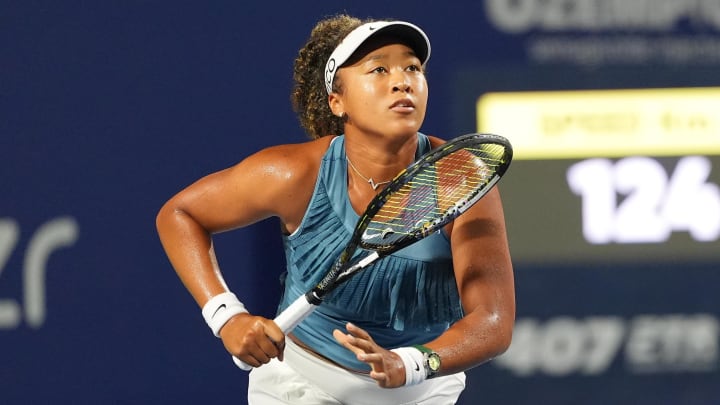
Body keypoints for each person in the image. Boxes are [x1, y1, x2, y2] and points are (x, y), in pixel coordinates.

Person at [156, 14, 515, 405]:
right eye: (379, 68)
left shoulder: (458, 180)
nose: (402, 80)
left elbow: (493, 322)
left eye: (413, 67)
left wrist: (411, 363)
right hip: (299, 385)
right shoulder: (294, 174)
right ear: (337, 101)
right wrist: (226, 316)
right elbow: (180, 215)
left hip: (417, 391)